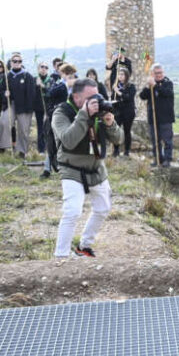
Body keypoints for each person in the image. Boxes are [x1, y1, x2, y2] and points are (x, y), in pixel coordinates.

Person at [51, 77, 123, 258]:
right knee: (72, 211)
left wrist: (110, 123)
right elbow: (68, 140)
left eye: (97, 96)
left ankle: (84, 246)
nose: (95, 101)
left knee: (103, 208)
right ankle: (61, 255)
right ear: (76, 97)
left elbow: (119, 140)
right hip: (71, 167)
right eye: (90, 97)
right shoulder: (62, 113)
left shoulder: (100, 111)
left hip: (96, 167)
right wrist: (83, 114)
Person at [40, 63, 77, 178]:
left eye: (72, 75)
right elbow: (50, 93)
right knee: (51, 144)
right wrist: (66, 84)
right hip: (55, 118)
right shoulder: (58, 84)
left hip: (70, 119)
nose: (71, 78)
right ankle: (47, 169)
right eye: (68, 75)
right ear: (63, 74)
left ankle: (69, 168)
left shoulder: (76, 87)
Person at [138, 63, 174, 166]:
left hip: (166, 117)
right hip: (153, 117)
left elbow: (166, 93)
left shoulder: (168, 83)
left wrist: (155, 86)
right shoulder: (151, 85)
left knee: (167, 140)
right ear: (152, 74)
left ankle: (167, 159)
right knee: (155, 141)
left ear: (163, 73)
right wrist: (148, 86)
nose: (158, 75)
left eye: (160, 73)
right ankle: (158, 159)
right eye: (156, 73)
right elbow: (142, 96)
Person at [7, 53, 35, 158]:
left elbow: (31, 94)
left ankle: (22, 151)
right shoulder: (8, 76)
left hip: (24, 107)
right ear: (11, 62)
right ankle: (8, 147)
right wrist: (5, 92)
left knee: (23, 130)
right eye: (15, 61)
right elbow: (2, 89)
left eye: (19, 61)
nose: (17, 63)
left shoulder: (27, 76)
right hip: (12, 104)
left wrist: (29, 109)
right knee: (7, 124)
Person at [111, 67, 137, 158]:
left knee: (127, 131)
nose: (120, 76)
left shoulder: (131, 86)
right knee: (116, 131)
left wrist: (118, 92)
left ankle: (127, 150)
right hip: (118, 112)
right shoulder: (115, 86)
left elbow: (128, 98)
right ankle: (116, 150)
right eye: (119, 74)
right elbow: (112, 98)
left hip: (128, 112)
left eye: (122, 74)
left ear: (126, 76)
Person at [33, 62, 50, 153]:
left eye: (46, 67)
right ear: (38, 68)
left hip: (48, 108)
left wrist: (43, 87)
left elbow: (51, 92)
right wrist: (36, 85)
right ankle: (41, 149)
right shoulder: (34, 79)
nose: (44, 69)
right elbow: (31, 92)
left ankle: (49, 147)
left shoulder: (50, 80)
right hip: (38, 107)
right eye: (42, 67)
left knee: (48, 128)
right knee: (40, 128)